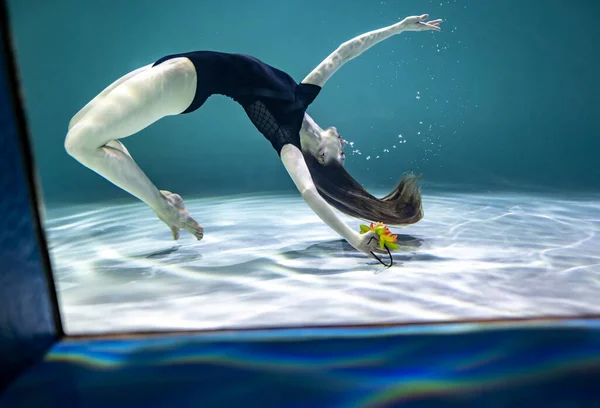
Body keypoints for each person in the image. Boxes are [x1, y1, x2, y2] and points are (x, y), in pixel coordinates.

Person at [64, 14, 442, 260]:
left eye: (340, 155)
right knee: (80, 130)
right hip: (174, 65)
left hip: (181, 82)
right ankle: (162, 200)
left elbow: (310, 193)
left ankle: (163, 206)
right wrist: (398, 28)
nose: (343, 144)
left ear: (322, 157)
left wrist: (355, 238)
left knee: (78, 143)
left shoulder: (289, 142)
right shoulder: (303, 94)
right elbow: (345, 52)